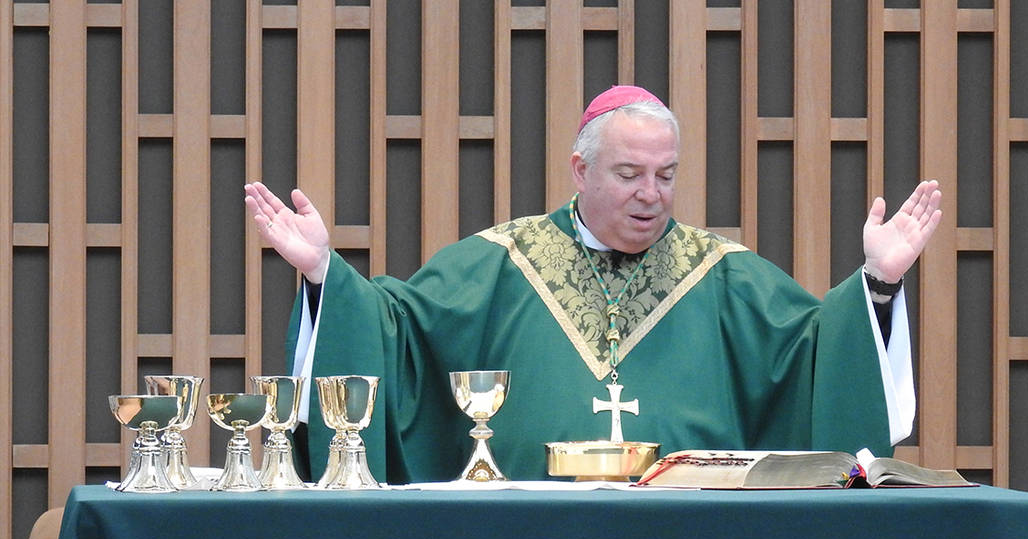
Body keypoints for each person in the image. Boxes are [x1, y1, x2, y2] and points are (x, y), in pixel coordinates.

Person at [245, 85, 942, 482]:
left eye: (666, 176)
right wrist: (323, 275)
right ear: (581, 171)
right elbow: (396, 327)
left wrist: (875, 286)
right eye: (630, 175)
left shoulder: (723, 273)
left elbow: (815, 351)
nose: (652, 195)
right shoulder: (501, 260)